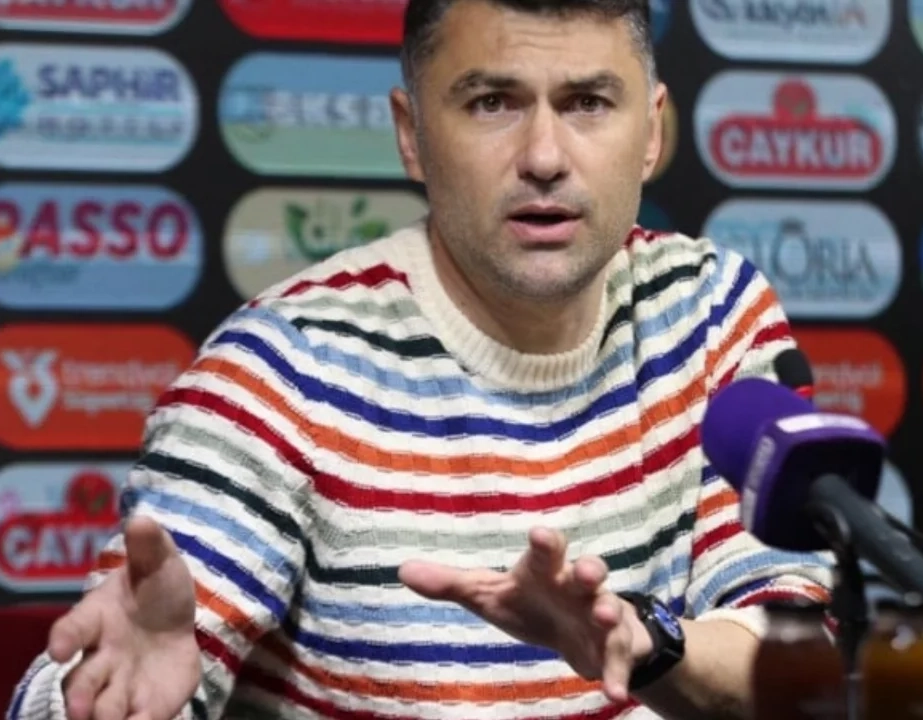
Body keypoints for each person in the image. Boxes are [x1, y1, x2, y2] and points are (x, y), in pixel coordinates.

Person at [6, 1, 833, 718]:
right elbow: (110, 675)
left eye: (587, 102)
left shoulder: (712, 310)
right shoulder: (283, 372)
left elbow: (795, 648)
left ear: (650, 133)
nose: (545, 156)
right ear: (412, 135)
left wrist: (647, 643)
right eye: (492, 103)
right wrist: (98, 698)